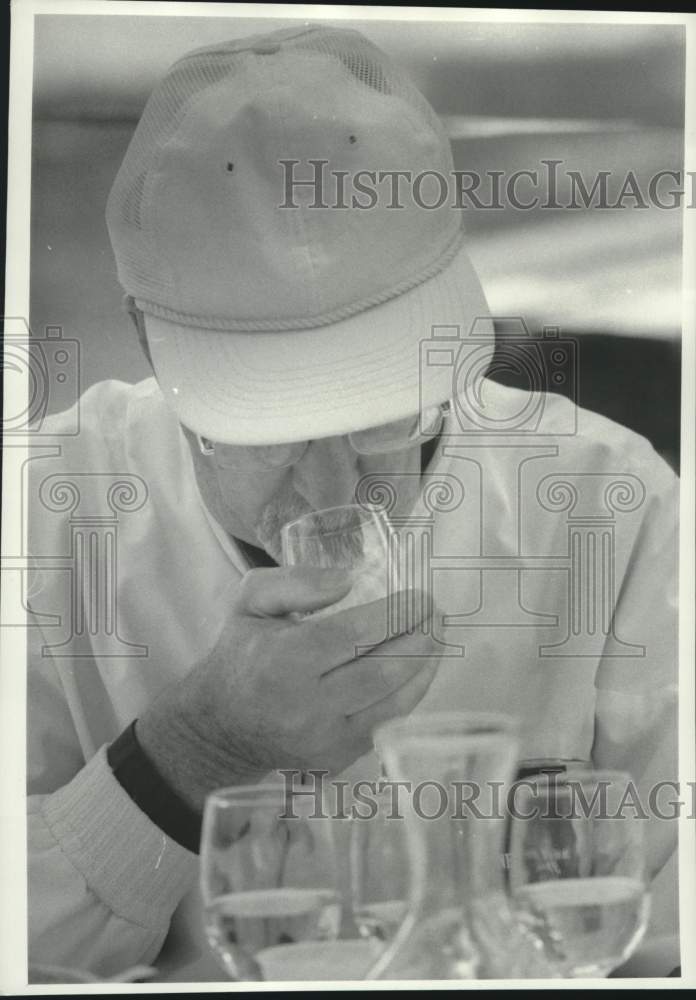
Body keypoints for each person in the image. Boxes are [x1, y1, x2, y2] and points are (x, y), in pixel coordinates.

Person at [26, 25, 678, 979]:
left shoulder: (613, 509)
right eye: (267, 425)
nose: (335, 491)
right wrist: (186, 753)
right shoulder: (45, 512)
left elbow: (676, 935)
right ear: (151, 343)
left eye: (383, 416)